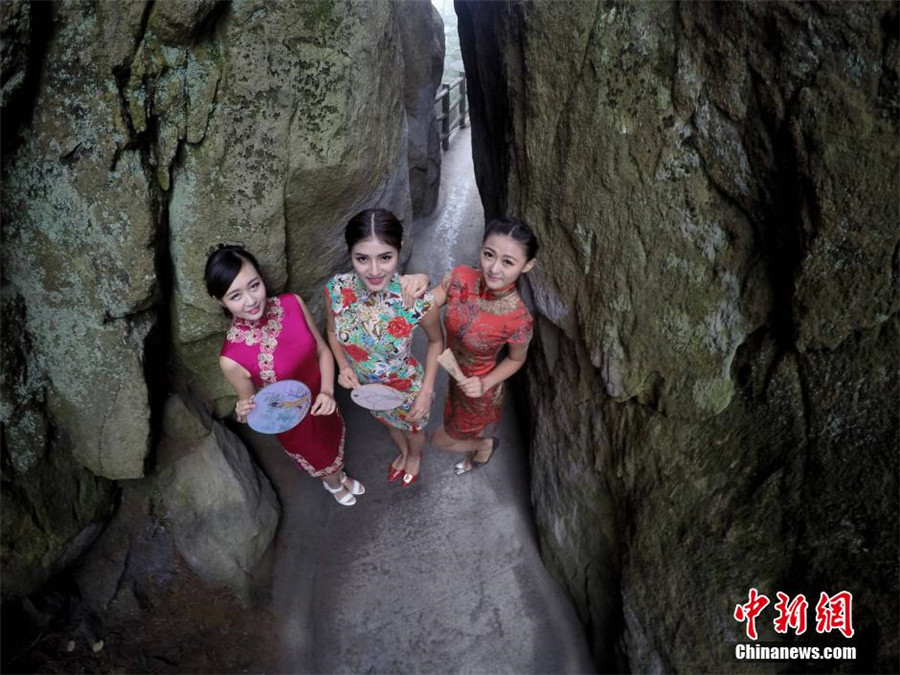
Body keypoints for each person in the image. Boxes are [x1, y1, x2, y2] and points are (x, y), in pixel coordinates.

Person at [205, 245, 364, 506]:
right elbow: (254, 410)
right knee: (321, 457)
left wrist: (327, 391)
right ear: (220, 301)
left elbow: (323, 351)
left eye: (254, 285)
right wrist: (244, 411)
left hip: (324, 400)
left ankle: (339, 475)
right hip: (293, 421)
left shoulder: (293, 303)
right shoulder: (231, 358)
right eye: (236, 295)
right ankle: (333, 484)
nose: (251, 300)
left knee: (334, 439)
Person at [325, 209, 444, 487]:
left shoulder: (416, 299)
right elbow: (332, 332)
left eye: (385, 257)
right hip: (367, 389)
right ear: (349, 252)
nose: (375, 271)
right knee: (389, 424)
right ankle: (402, 452)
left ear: (399, 249)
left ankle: (413, 456)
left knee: (413, 429)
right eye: (362, 258)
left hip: (407, 389)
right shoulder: (336, 290)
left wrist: (426, 392)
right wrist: (343, 366)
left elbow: (437, 341)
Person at [428, 216, 537, 474]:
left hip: (478, 390)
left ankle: (485, 444)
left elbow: (516, 359)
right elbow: (426, 303)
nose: (494, 268)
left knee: (440, 440)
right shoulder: (460, 278)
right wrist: (417, 283)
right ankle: (479, 443)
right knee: (451, 420)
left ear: (527, 265)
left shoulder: (518, 318)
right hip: (454, 376)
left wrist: (484, 383)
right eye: (489, 255)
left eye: (508, 262)